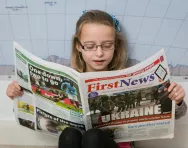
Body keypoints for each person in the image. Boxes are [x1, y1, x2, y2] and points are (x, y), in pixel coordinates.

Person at [6, 10, 187, 148]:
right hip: (75, 141)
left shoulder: (131, 68)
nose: (99, 53)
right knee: (69, 136)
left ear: (115, 45)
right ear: (78, 46)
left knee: (93, 137)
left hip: (113, 145)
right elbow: (26, 113)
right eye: (91, 46)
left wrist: (177, 100)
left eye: (107, 45)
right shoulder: (63, 69)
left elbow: (176, 114)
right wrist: (17, 95)